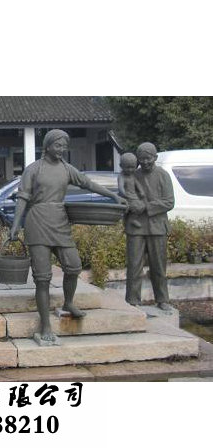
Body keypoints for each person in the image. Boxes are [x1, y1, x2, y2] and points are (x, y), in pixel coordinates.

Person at [10, 129, 126, 345]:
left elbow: (88, 183)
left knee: (73, 266)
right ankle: (45, 325)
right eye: (58, 145)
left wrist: (113, 196)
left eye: (64, 146)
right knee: (42, 278)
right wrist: (15, 225)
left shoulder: (66, 168)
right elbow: (23, 198)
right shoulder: (33, 169)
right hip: (38, 222)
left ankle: (69, 302)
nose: (61, 149)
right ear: (47, 146)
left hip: (60, 221)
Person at [125, 142, 174, 311]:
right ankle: (132, 300)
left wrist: (146, 206)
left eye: (148, 158)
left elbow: (169, 202)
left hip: (157, 227)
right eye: (142, 159)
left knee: (158, 265)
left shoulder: (163, 175)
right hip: (136, 227)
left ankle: (162, 299)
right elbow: (126, 196)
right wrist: (130, 205)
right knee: (134, 265)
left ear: (155, 157)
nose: (145, 162)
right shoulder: (133, 176)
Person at [118, 153, 143, 229]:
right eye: (127, 168)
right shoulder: (121, 176)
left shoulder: (133, 175)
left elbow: (137, 184)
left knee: (141, 206)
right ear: (121, 166)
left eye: (133, 167)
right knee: (134, 207)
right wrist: (123, 193)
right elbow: (121, 186)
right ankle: (129, 220)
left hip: (133, 196)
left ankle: (132, 218)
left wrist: (141, 191)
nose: (130, 170)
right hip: (126, 196)